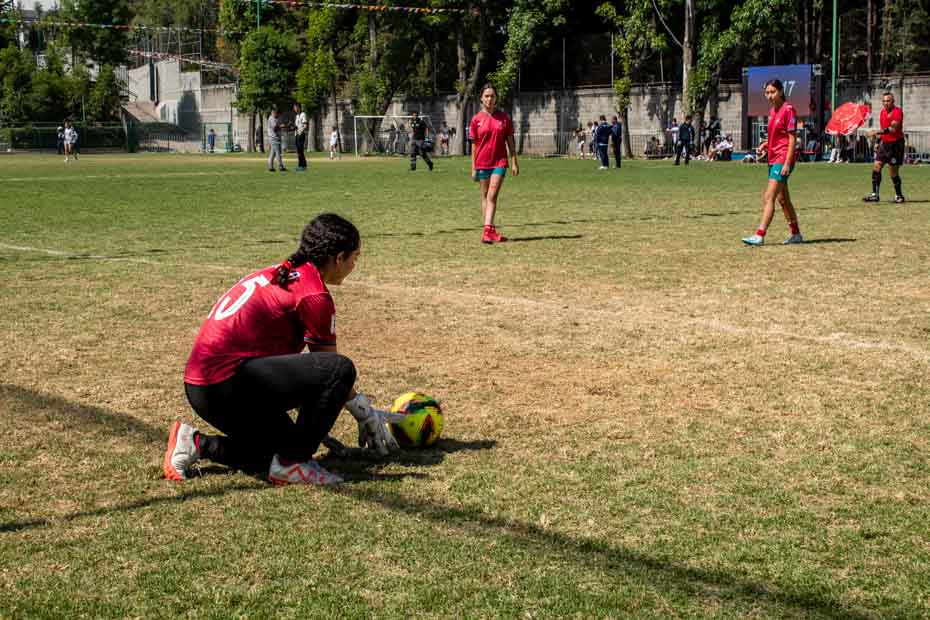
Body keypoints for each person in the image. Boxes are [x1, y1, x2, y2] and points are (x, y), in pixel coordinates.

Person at [163, 213, 405, 486]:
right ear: (338, 258)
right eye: (355, 258)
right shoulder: (314, 294)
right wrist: (364, 411)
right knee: (341, 369)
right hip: (225, 385)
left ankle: (197, 443)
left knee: (279, 453)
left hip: (205, 385)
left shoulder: (280, 272)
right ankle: (295, 465)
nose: (355, 265)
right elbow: (331, 370)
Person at [742, 79, 803, 246]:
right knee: (783, 200)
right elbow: (777, 136)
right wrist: (766, 144)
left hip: (782, 159)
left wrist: (787, 163)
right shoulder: (773, 111)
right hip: (773, 158)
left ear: (781, 91)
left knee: (769, 196)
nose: (769, 96)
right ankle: (796, 234)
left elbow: (791, 140)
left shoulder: (788, 110)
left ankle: (760, 235)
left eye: (772, 92)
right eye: (767, 92)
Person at [469, 83, 519, 244]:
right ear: (481, 99)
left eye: (492, 96)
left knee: (491, 195)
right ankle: (489, 230)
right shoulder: (476, 119)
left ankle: (487, 231)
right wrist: (473, 168)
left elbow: (510, 142)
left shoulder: (504, 118)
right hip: (482, 163)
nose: (490, 99)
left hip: (500, 162)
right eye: (487, 96)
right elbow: (474, 146)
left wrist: (514, 162)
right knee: (485, 196)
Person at [863, 92, 905, 204]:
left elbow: (893, 129)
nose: (886, 103)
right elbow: (884, 129)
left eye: (888, 101)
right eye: (884, 101)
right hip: (885, 144)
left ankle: (899, 196)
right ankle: (875, 195)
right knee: (876, 166)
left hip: (896, 145)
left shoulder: (897, 112)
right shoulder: (882, 113)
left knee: (893, 172)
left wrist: (876, 132)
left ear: (893, 101)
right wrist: (878, 141)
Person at [293, 102, 308, 172]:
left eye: (295, 107)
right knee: (298, 151)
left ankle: (303, 166)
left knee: (300, 151)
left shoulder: (303, 114)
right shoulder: (297, 116)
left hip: (301, 135)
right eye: (294, 107)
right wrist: (293, 127)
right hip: (296, 135)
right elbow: (297, 126)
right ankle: (300, 165)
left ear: (299, 107)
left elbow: (305, 126)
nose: (294, 109)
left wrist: (300, 132)